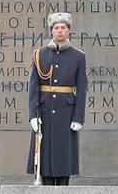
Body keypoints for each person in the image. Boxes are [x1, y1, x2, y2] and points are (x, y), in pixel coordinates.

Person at [27, 12, 88, 184]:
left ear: (68, 30)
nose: (59, 31)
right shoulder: (40, 54)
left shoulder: (78, 56)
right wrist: (32, 115)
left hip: (66, 112)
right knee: (44, 159)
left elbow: (82, 88)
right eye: (56, 28)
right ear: (51, 31)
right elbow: (33, 87)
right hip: (44, 112)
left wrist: (78, 117)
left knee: (63, 159)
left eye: (63, 27)